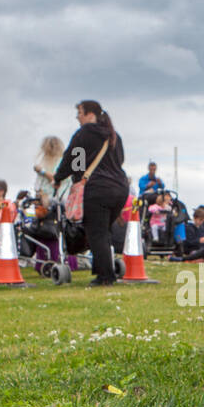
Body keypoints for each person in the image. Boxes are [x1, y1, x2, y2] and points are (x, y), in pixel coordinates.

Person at [54, 100, 128, 286]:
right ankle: (105, 269)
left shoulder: (84, 134)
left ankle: (105, 277)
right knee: (104, 231)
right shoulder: (114, 135)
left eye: (79, 112)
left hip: (97, 189)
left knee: (97, 233)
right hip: (120, 188)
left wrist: (59, 177)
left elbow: (74, 160)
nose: (77, 117)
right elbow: (120, 160)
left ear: (89, 114)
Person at [33, 136, 64, 204]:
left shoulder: (59, 162)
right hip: (46, 198)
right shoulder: (48, 162)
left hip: (52, 199)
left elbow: (55, 178)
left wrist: (41, 171)